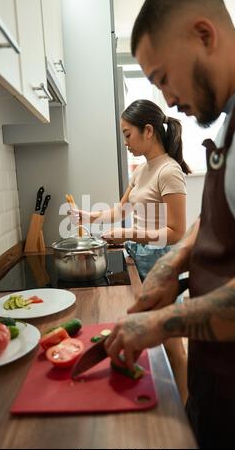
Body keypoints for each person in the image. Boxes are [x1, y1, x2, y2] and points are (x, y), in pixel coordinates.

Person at [104, 0, 235, 448]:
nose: (168, 99)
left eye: (163, 78)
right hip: (222, 379)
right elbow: (220, 216)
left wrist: (164, 323)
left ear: (204, 35)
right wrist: (172, 263)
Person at [70, 99, 190, 403]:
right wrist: (90, 216)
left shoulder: (169, 172)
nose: (125, 142)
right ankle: (155, 394)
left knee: (173, 341)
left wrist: (129, 233)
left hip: (160, 263)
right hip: (138, 256)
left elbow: (176, 233)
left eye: (127, 134)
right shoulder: (140, 172)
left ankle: (188, 410)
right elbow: (121, 209)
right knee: (147, 332)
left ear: (148, 131)